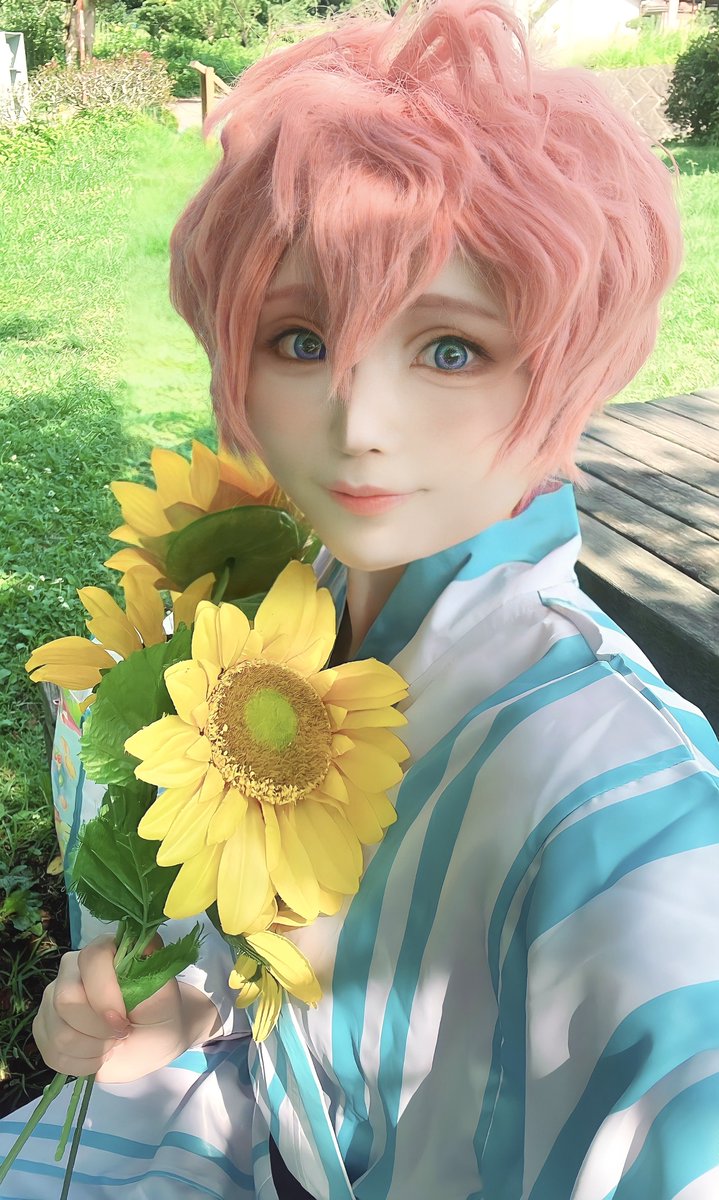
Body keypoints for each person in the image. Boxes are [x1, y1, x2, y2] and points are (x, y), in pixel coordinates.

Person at [2, 1, 718, 1196]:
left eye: (449, 349)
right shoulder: (293, 612)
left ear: (563, 368)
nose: (359, 421)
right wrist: (183, 1009)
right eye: (297, 340)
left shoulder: (620, 799)